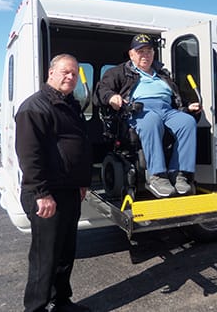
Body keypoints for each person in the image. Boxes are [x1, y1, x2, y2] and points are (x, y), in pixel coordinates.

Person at [15, 54, 92, 312]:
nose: (70, 77)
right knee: (44, 257)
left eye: (74, 73)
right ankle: (35, 308)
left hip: (69, 190)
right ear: (51, 73)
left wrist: (81, 183)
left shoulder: (69, 104)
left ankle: (62, 302)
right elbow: (29, 154)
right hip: (47, 193)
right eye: (65, 72)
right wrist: (40, 193)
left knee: (65, 252)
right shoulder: (35, 107)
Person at [95, 34, 201, 198]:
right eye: (140, 51)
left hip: (167, 109)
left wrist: (188, 107)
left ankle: (178, 173)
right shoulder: (119, 72)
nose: (145, 55)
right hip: (138, 110)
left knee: (187, 122)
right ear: (131, 54)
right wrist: (110, 97)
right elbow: (102, 90)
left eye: (149, 51)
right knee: (152, 120)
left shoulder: (163, 75)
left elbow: (176, 98)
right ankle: (157, 176)